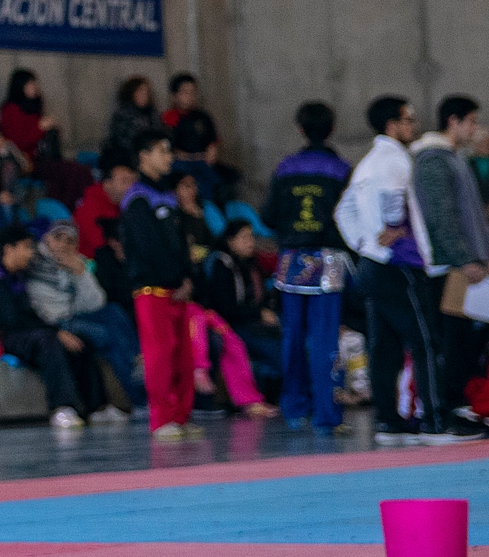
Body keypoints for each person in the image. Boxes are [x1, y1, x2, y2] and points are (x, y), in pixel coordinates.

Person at [335, 96, 462, 444]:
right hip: (400, 264)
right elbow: (393, 196)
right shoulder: (394, 160)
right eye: (409, 120)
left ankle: (388, 422)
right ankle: (436, 421)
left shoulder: (365, 164)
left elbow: (342, 210)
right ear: (393, 125)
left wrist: (363, 244)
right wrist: (391, 227)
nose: (414, 126)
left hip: (373, 264)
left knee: (384, 346)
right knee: (425, 341)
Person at [266, 101, 354, 434]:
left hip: (291, 258)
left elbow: (268, 215)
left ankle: (293, 408)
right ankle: (326, 415)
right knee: (324, 338)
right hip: (328, 259)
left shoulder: (285, 168)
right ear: (331, 129)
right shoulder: (342, 169)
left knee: (292, 336)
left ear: (300, 129)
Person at [0, 226, 109, 427]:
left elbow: (28, 317)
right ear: (9, 249)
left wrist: (60, 332)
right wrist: (55, 333)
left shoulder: (18, 276)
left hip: (20, 334)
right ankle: (62, 407)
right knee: (48, 341)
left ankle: (96, 408)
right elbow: (12, 320)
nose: (31, 253)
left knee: (80, 342)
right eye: (26, 247)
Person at [410, 95, 489, 437]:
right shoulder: (432, 160)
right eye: (471, 121)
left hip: (462, 265)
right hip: (446, 268)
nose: (475, 129)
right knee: (450, 343)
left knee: (464, 343)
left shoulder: (454, 158)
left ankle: (460, 405)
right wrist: (464, 258)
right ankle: (446, 409)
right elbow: (441, 217)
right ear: (453, 121)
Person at [122, 131, 201, 440]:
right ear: (144, 156)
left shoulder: (168, 195)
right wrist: (173, 278)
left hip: (177, 288)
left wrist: (187, 277)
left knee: (183, 353)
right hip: (152, 289)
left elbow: (181, 243)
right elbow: (147, 246)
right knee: (160, 353)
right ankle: (161, 418)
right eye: (162, 151)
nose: (169, 157)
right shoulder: (137, 198)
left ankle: (181, 415)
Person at [26, 221, 141, 411]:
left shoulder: (75, 262)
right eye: (58, 238)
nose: (63, 245)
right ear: (46, 239)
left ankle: (138, 360)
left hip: (74, 316)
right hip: (55, 323)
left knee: (114, 311)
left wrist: (81, 273)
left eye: (70, 241)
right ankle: (138, 397)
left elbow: (97, 303)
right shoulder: (32, 261)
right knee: (109, 338)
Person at [191, 222, 281, 417]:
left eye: (251, 237)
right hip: (229, 324)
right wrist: (257, 314)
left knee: (286, 341)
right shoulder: (221, 264)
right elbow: (225, 308)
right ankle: (250, 401)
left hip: (250, 322)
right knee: (262, 349)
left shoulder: (252, 265)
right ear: (230, 242)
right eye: (244, 237)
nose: (250, 242)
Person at [0, 69, 92, 208]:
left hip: (45, 159)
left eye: (34, 83)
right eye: (29, 84)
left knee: (78, 172)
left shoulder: (34, 108)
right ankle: (67, 209)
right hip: (25, 162)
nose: (34, 87)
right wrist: (40, 128)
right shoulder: (10, 110)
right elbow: (19, 141)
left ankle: (79, 207)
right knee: (74, 171)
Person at [75, 152, 138, 314]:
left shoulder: (128, 206)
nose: (130, 187)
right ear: (107, 183)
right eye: (124, 182)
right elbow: (101, 247)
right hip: (95, 268)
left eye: (132, 181)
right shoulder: (89, 208)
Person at [164, 72, 230, 201]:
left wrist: (212, 148)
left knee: (224, 180)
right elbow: (170, 147)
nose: (190, 96)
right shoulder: (169, 117)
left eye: (192, 91)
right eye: (185, 92)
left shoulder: (203, 116)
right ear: (175, 95)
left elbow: (213, 139)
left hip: (203, 161)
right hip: (182, 164)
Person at [104, 75, 161, 162]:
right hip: (128, 156)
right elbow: (122, 141)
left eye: (147, 92)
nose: (144, 95)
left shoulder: (153, 114)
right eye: (140, 91)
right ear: (131, 93)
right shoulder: (122, 115)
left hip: (153, 155)